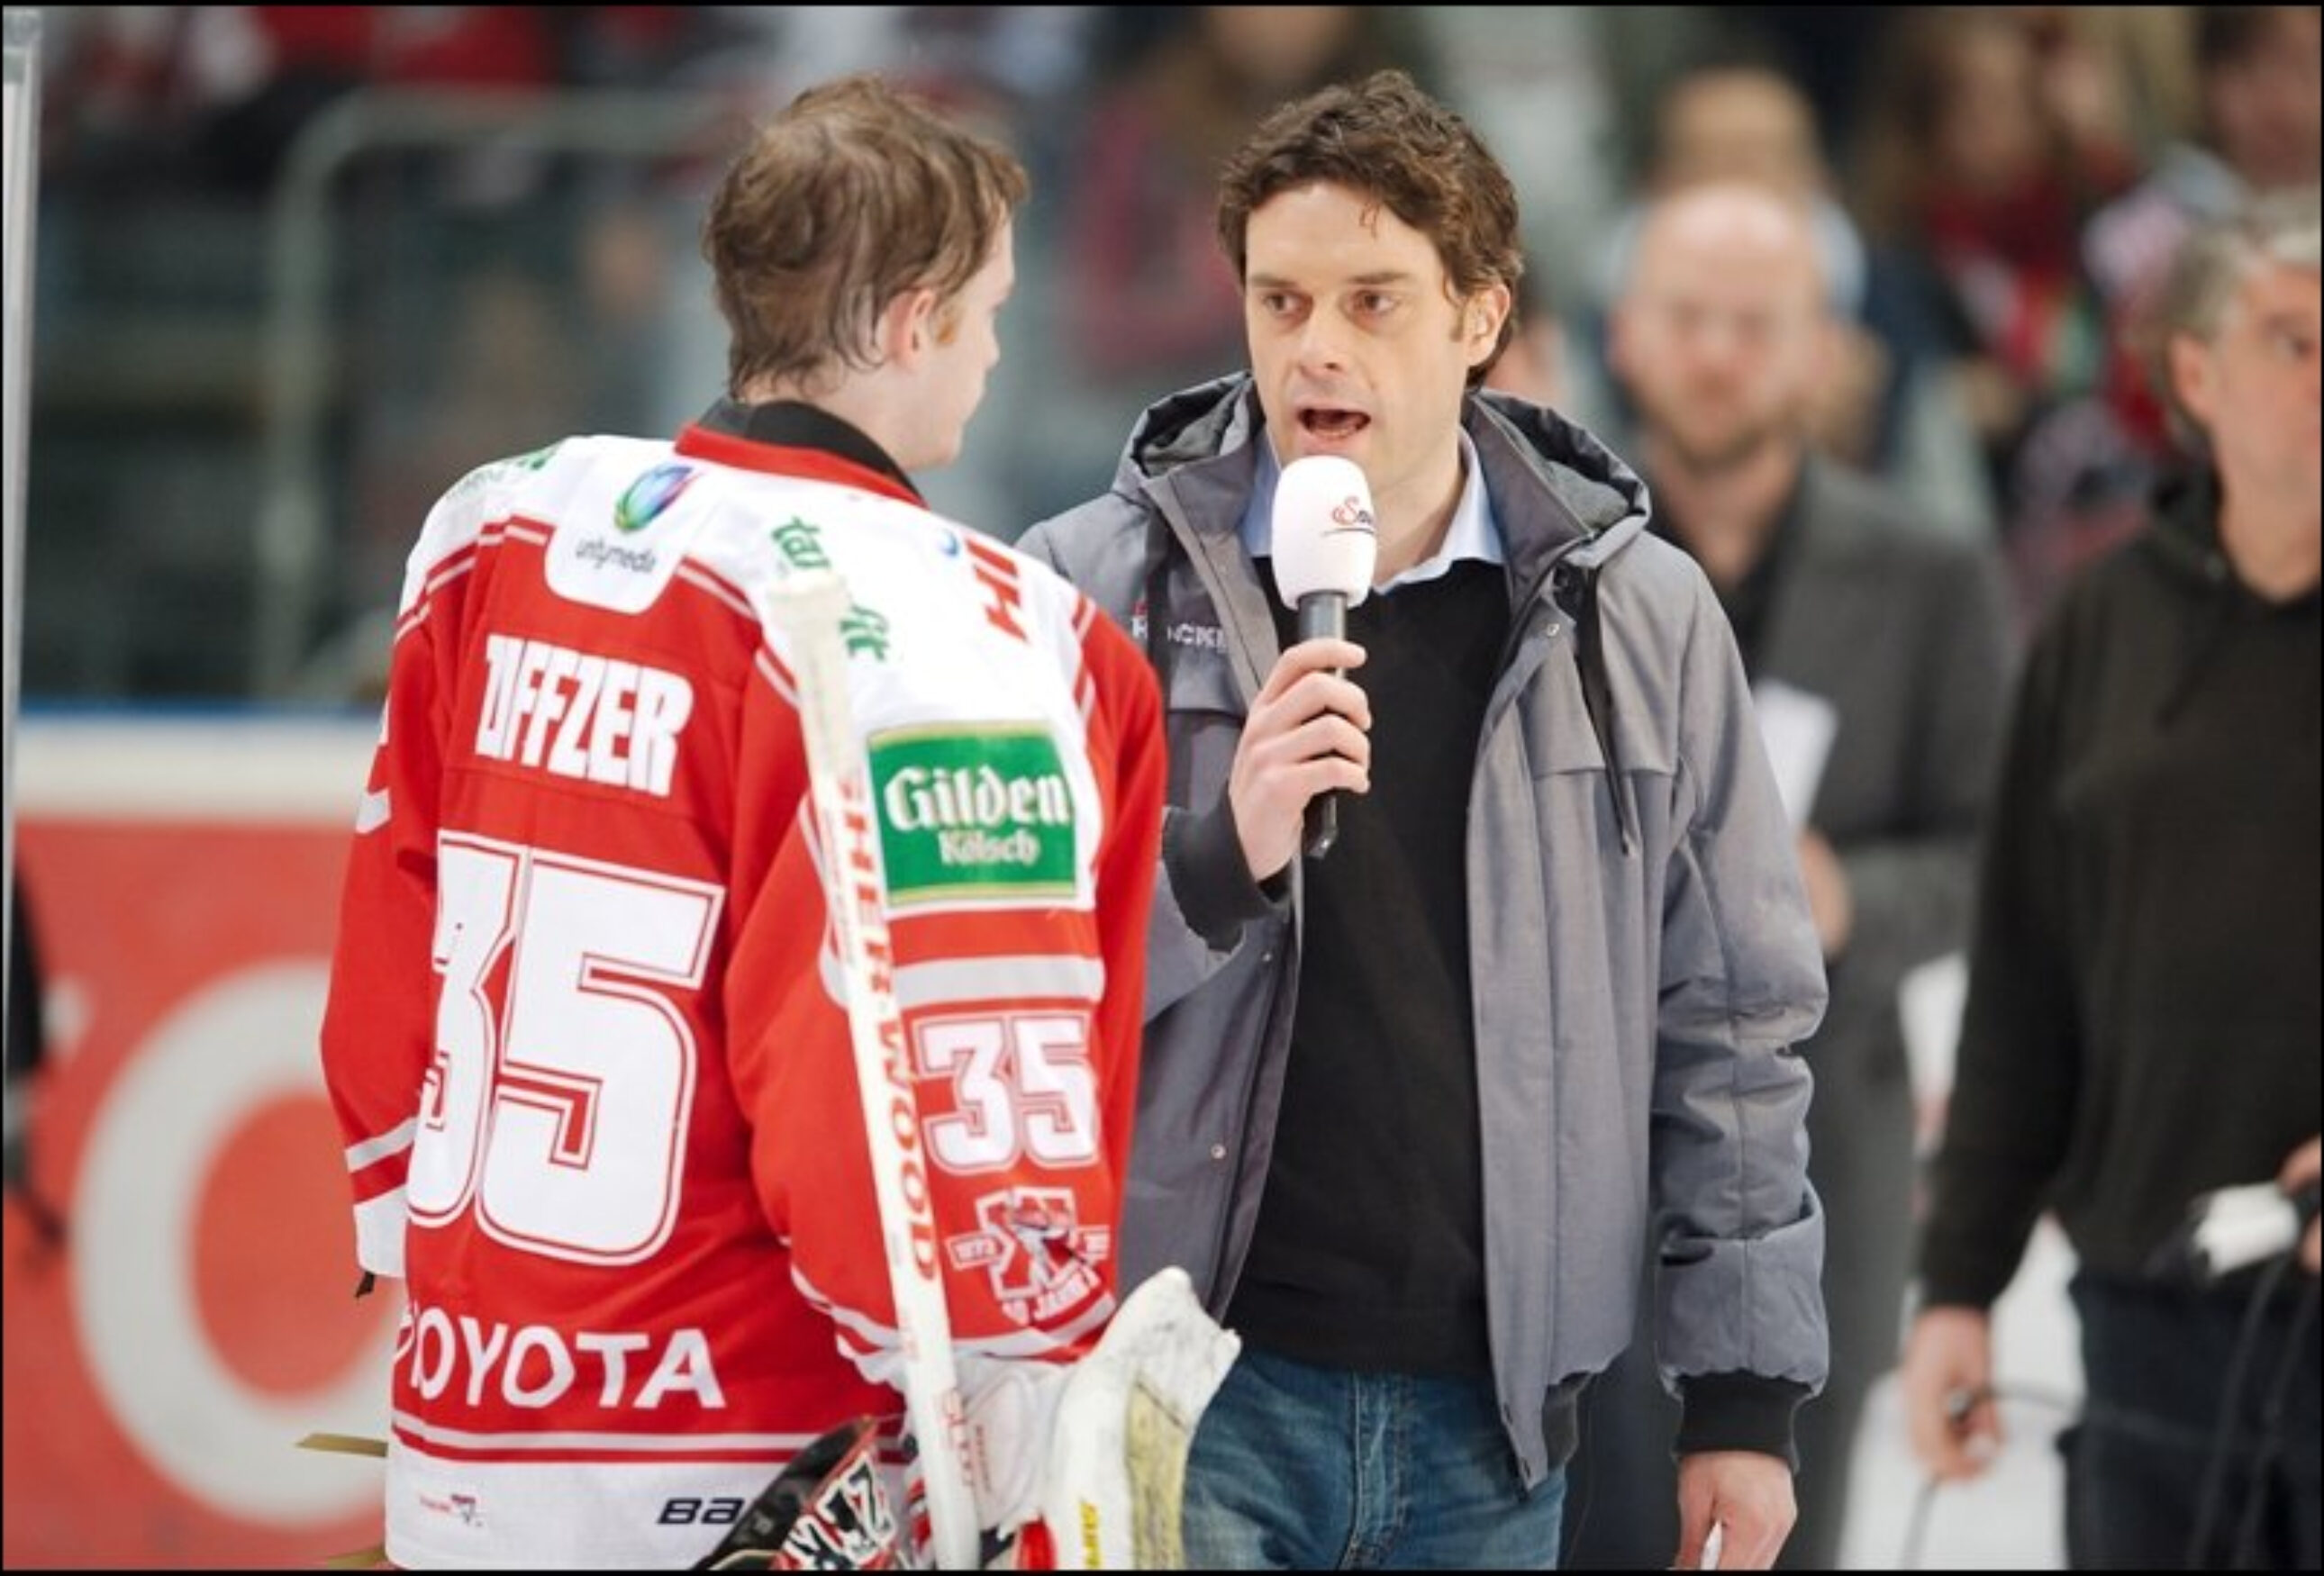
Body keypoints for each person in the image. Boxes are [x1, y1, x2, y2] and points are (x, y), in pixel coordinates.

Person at [317, 75, 1175, 1569]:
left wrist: (420, 1250)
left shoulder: (499, 528)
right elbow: (907, 1120)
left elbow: (393, 962)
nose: (993, 354)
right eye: (985, 312)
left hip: (469, 1426)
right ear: (911, 320)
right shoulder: (957, 624)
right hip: (756, 1471)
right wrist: (1020, 1427)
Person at [1019, 70, 1830, 1571]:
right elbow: (1005, 991)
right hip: (1188, 1396)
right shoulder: (1090, 587)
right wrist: (1215, 860)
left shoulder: (1638, 615)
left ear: (1481, 317)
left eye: (1373, 301)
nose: (1315, 347)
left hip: (1492, 1424)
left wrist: (1742, 1395)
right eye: (1279, 302)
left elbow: (1732, 1021)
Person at [1560, 183, 2014, 1571]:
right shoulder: (1549, 561)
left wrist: (1851, 898)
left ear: (1827, 347)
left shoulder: (1932, 577)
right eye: (1688, 316)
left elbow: (1995, 852)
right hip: (1570, 1142)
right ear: (1626, 333)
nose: (1717, 353)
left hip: (1822, 1141)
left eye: (1756, 322)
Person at [1899, 188, 2320, 1570]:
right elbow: (2024, 974)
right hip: (2153, 1305)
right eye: (2295, 342)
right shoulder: (2102, 623)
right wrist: (1958, 1284)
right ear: (2196, 373)